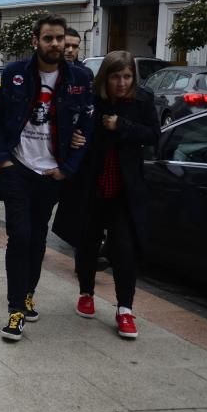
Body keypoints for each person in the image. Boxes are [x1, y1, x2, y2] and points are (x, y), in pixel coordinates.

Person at [0, 14, 94, 342]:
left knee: (37, 237)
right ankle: (15, 308)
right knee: (19, 236)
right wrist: (2, 159)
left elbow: (86, 126)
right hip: (17, 169)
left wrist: (68, 168)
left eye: (60, 39)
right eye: (49, 38)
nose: (56, 44)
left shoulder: (79, 79)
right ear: (36, 40)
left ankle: (29, 292)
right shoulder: (15, 73)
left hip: (51, 173)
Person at [52, 51, 159, 339]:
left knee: (124, 249)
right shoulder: (92, 101)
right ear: (105, 78)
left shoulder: (143, 101)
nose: (122, 83)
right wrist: (73, 137)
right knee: (87, 243)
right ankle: (86, 292)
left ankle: (125, 308)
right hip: (92, 185)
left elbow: (153, 135)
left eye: (127, 77)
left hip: (125, 190)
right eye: (116, 77)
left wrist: (121, 126)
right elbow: (68, 125)